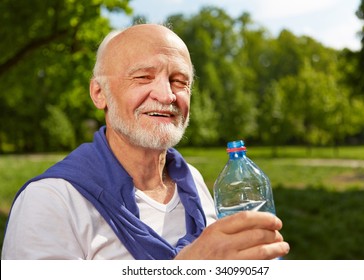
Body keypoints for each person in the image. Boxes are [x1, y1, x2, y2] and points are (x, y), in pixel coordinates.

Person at [1, 24, 290, 260]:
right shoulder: (50, 201)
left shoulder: (195, 182)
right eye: (143, 77)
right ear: (99, 93)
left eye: (179, 81)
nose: (167, 96)